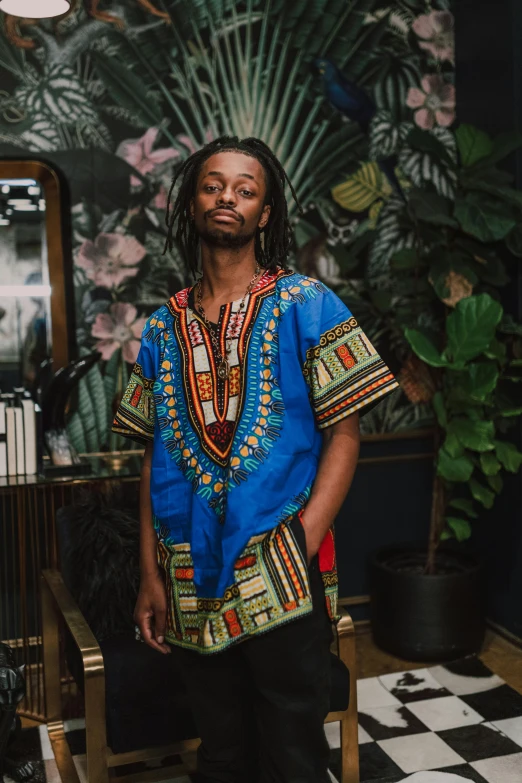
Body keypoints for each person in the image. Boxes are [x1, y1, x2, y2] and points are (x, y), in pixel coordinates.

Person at [112, 136, 399, 783]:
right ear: (193, 202)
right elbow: (155, 455)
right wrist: (150, 575)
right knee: (220, 750)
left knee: (293, 749)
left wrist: (304, 538)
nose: (228, 198)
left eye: (246, 189)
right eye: (214, 185)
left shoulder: (306, 303)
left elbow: (345, 433)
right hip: (189, 577)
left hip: (279, 567)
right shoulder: (161, 329)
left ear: (264, 214)